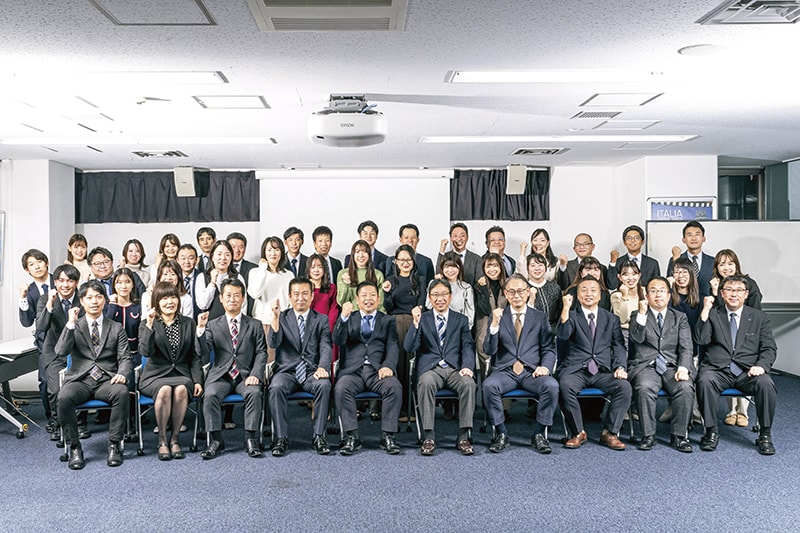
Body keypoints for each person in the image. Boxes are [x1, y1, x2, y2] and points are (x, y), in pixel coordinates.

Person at [695, 276, 777, 455]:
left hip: (747, 372)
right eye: (729, 290)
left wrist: (761, 365)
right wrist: (705, 311)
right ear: (722, 294)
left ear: (746, 294)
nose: (734, 294)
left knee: (766, 383)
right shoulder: (714, 314)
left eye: (739, 290)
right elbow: (701, 339)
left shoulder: (759, 317)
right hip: (718, 370)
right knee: (704, 380)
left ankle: (765, 434)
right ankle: (710, 431)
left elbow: (769, 347)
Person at [55, 280, 131, 470]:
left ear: (105, 300)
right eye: (89, 298)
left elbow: (125, 357)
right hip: (80, 380)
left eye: (98, 297)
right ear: (82, 301)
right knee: (63, 398)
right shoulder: (75, 326)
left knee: (122, 393)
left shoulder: (116, 327)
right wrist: (70, 324)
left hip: (106, 380)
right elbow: (61, 352)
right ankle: (74, 447)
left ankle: (114, 444)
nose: (94, 301)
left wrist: (122, 373)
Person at [482, 274, 559, 454]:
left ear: (528, 292)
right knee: (488, 386)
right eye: (511, 292)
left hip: (532, 372)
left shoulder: (539, 317)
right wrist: (494, 326)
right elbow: (489, 350)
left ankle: (539, 433)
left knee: (552, 386)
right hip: (505, 372)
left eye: (520, 291)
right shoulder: (498, 316)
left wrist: (546, 367)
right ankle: (501, 433)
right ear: (505, 294)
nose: (516, 295)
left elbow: (548, 348)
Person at [557, 276, 632, 450]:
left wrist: (620, 367)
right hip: (576, 370)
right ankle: (578, 432)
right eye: (583, 290)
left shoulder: (611, 318)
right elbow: (563, 335)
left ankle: (610, 433)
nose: (588, 294)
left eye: (593, 290)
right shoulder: (571, 315)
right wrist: (565, 308)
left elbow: (619, 346)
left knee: (624, 387)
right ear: (577, 295)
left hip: (602, 371)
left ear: (600, 296)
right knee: (564, 385)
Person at [198, 278, 268, 459]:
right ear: (221, 298)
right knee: (210, 394)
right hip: (221, 376)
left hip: (246, 376)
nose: (232, 299)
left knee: (254, 392)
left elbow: (261, 352)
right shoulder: (212, 325)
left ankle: (250, 439)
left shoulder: (255, 324)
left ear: (243, 298)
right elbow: (203, 351)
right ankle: (216, 440)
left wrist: (256, 374)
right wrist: (200, 329)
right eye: (228, 295)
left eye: (237, 295)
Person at [405, 279, 476, 456]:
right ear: (429, 298)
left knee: (469, 383)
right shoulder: (423, 319)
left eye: (444, 294)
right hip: (431, 369)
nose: (440, 298)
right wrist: (415, 324)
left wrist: (467, 366)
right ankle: (428, 437)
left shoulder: (461, 319)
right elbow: (409, 347)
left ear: (450, 297)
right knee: (426, 383)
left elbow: (468, 346)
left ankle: (463, 436)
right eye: (435, 295)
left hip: (455, 369)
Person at [333, 281, 403, 456]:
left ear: (378, 299)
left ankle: (388, 436)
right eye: (364, 295)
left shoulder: (387, 320)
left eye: (372, 295)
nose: (368, 299)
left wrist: (388, 365)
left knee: (394, 387)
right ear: (357, 299)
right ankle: (352, 436)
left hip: (377, 371)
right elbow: (338, 340)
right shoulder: (349, 318)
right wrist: (343, 318)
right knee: (341, 388)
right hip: (353, 371)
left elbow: (393, 346)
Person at [627, 277, 695, 453]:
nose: (658, 295)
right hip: (646, 366)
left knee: (685, 387)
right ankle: (648, 435)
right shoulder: (637, 315)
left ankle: (679, 436)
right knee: (644, 387)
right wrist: (642, 314)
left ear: (669, 295)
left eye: (662, 291)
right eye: (653, 291)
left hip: (673, 366)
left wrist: (683, 368)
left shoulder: (679, 317)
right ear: (647, 295)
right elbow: (636, 339)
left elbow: (687, 346)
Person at [267, 277, 333, 456]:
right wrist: (274, 319)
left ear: (312, 296)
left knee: (324, 385)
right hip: (287, 371)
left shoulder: (321, 319)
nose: (300, 298)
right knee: (276, 387)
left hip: (312, 371)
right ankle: (280, 438)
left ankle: (319, 436)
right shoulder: (282, 317)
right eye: (296, 294)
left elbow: (326, 346)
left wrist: (323, 367)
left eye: (305, 294)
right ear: (289, 296)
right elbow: (273, 343)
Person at [138, 282, 204, 460]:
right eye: (164, 298)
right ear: (156, 302)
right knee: (165, 389)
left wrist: (198, 380)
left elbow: (194, 356)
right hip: (155, 375)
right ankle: (162, 440)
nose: (170, 302)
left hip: (181, 374)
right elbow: (145, 352)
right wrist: (149, 326)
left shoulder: (188, 323)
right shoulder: (147, 323)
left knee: (181, 389)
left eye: (173, 297)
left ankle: (175, 439)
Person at [709, 249, 763, 427]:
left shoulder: (749, 284)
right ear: (716, 267)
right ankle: (732, 410)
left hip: (747, 335)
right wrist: (715, 292)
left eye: (730, 263)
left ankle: (743, 412)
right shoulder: (716, 285)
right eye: (722, 264)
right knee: (727, 362)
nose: (726, 267)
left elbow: (756, 312)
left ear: (736, 265)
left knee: (743, 366)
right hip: (725, 337)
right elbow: (717, 314)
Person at [36, 264, 82, 442]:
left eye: (70, 281)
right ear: (55, 282)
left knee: (79, 387)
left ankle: (79, 422)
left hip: (78, 352)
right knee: (55, 390)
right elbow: (41, 326)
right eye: (61, 281)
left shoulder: (83, 298)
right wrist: (50, 303)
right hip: (54, 353)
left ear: (76, 283)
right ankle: (57, 423)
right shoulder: (45, 299)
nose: (65, 285)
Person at [383, 244, 426, 423]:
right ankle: (399, 408)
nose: (405, 263)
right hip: (395, 324)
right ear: (395, 261)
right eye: (401, 260)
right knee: (399, 366)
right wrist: (386, 293)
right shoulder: (390, 280)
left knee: (414, 366)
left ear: (413, 261)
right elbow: (388, 307)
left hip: (415, 322)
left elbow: (422, 303)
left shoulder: (421, 280)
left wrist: (417, 317)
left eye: (408, 259)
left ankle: (415, 407)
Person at [18, 249, 53, 421]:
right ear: (27, 270)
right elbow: (26, 322)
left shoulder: (61, 281)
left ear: (47, 263)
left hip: (69, 338)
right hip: (45, 342)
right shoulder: (30, 291)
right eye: (31, 264)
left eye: (39, 261)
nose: (37, 266)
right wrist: (23, 297)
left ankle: (78, 417)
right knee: (45, 381)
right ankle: (51, 417)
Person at [247, 236, 293, 330]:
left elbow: (291, 301)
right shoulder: (255, 272)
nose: (273, 253)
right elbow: (255, 294)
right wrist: (262, 270)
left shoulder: (289, 275)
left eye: (276, 250)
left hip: (283, 323)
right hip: (261, 322)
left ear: (281, 252)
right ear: (264, 252)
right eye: (269, 250)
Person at [474, 253, 508, 378]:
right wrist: (483, 289)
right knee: (486, 366)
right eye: (488, 266)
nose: (492, 269)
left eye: (495, 265)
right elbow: (485, 309)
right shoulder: (479, 286)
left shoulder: (508, 285)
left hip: (505, 330)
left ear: (501, 267)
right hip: (484, 330)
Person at [196, 240, 246, 320]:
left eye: (227, 255)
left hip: (233, 324)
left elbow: (243, 306)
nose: (223, 258)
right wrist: (212, 282)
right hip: (210, 324)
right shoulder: (202, 277)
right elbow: (203, 305)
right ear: (212, 257)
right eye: (219, 254)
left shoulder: (238, 277)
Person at [306, 253, 340, 363]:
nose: (316, 270)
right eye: (313, 267)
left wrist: (327, 329)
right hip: (308, 331)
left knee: (327, 361)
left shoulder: (332, 288)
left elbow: (334, 309)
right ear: (308, 270)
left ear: (324, 269)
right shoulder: (304, 288)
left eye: (319, 267)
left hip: (327, 331)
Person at [666, 221, 714, 298]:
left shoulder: (712, 261)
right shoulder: (676, 258)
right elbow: (670, 282)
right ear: (684, 240)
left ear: (704, 238)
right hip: (681, 302)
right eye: (689, 235)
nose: (693, 238)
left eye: (697, 234)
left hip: (707, 302)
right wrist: (675, 260)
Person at [606, 225, 661, 289]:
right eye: (629, 238)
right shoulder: (618, 262)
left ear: (642, 242)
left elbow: (657, 285)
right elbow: (612, 286)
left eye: (636, 238)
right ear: (624, 242)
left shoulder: (653, 264)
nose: (632, 241)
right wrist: (613, 263)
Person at [337, 239, 385, 312]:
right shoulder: (343, 273)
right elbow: (341, 301)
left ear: (369, 254)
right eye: (357, 252)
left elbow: (380, 302)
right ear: (353, 255)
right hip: (352, 314)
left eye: (364, 251)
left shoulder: (378, 274)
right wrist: (345, 284)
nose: (361, 255)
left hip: (373, 314)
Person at [430, 252, 475, 329]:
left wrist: (463, 329)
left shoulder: (466, 288)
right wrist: (436, 283)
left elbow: (470, 315)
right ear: (442, 268)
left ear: (459, 268)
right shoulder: (434, 284)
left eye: (454, 267)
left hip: (458, 328)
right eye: (447, 267)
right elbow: (428, 306)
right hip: (437, 328)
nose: (450, 270)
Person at [386, 223, 435, 289]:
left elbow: (430, 286)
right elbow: (388, 283)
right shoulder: (391, 260)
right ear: (400, 240)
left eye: (413, 237)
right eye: (406, 237)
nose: (410, 240)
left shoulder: (426, 262)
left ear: (418, 240)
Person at [523, 252, 561, 331]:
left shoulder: (555, 287)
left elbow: (560, 311)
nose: (537, 268)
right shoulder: (523, 289)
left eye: (540, 265)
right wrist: (531, 299)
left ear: (545, 268)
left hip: (553, 330)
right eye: (533, 265)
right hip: (531, 331)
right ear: (527, 269)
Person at [609, 259, 644, 343]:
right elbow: (622, 319)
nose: (630, 278)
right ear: (619, 277)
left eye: (634, 274)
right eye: (626, 275)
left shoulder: (645, 292)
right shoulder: (616, 295)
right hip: (624, 334)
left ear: (639, 275)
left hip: (644, 333)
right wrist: (624, 297)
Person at [176, 243, 208, 320]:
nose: (187, 262)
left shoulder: (204, 277)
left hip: (200, 320)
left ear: (197, 260)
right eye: (183, 258)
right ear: (177, 260)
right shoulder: (174, 278)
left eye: (191, 258)